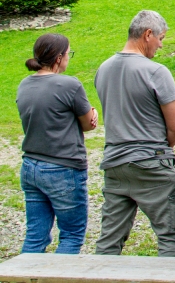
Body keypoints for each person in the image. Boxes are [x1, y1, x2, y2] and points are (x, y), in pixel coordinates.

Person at [95, 10, 175, 257]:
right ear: (148, 34)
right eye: (161, 38)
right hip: (151, 164)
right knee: (173, 235)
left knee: (109, 240)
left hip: (114, 164)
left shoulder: (103, 69)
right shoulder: (156, 71)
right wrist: (160, 149)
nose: (161, 45)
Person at [17, 33, 97, 254]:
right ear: (59, 57)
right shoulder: (69, 85)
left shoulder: (24, 84)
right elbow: (88, 124)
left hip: (30, 165)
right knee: (71, 235)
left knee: (35, 236)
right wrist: (93, 113)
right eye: (69, 53)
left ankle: (26, 272)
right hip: (63, 167)